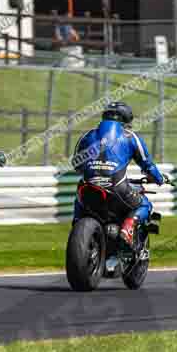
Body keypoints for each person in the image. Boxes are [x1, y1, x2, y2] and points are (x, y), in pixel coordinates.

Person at [72, 101, 169, 248]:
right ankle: (129, 225)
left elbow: (76, 164)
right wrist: (160, 179)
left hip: (88, 188)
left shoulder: (87, 136)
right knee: (145, 204)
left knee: (79, 197)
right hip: (117, 187)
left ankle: (76, 225)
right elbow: (147, 165)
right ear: (125, 120)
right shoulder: (130, 137)